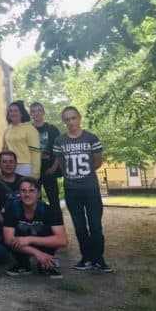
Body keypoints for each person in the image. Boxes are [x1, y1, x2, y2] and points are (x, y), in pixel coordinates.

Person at [51, 106, 113, 273]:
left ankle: (99, 259)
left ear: (79, 118)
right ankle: (86, 258)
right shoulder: (59, 141)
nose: (71, 122)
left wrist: (84, 174)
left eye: (73, 118)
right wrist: (72, 176)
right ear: (64, 121)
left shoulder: (91, 138)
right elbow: (61, 164)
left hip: (90, 188)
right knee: (79, 226)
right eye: (67, 119)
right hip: (71, 189)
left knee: (95, 225)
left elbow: (98, 161)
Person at [3, 178, 68, 279]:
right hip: (20, 244)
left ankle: (46, 263)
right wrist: (37, 253)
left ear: (38, 194)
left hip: (42, 243)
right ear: (19, 193)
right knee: (11, 239)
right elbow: (8, 239)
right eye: (23, 191)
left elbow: (62, 240)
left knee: (50, 233)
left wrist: (29, 239)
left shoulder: (50, 210)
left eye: (31, 190)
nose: (27, 194)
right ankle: (22, 263)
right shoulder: (12, 208)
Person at [29, 102, 62, 213]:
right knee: (35, 200)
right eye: (33, 111)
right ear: (30, 114)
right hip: (33, 170)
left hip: (49, 168)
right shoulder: (28, 130)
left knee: (54, 199)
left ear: (43, 112)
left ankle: (57, 221)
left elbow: (59, 151)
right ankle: (39, 222)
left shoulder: (52, 129)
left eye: (39, 110)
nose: (36, 113)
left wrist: (54, 168)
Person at [2, 100, 41, 178]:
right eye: (10, 111)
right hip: (9, 166)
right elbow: (4, 150)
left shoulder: (30, 129)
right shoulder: (7, 130)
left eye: (16, 111)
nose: (13, 113)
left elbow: (35, 153)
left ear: (21, 113)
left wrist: (35, 173)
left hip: (25, 167)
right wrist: (2, 166)